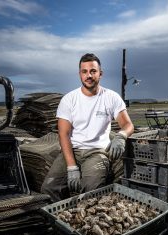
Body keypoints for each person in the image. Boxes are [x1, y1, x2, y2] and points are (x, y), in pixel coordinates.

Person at [41, 53, 134, 202]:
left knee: (91, 191)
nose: (88, 75)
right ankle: (62, 221)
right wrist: (71, 167)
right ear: (80, 74)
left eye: (93, 71)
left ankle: (83, 221)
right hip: (73, 151)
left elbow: (128, 125)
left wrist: (121, 136)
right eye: (84, 72)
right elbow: (63, 135)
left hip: (97, 153)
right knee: (48, 189)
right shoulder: (69, 99)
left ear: (100, 74)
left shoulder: (111, 97)